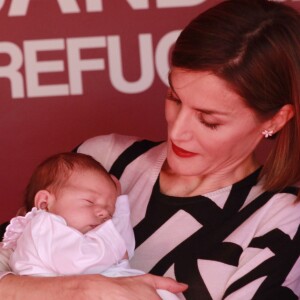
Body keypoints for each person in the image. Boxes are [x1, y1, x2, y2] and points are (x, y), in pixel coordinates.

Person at [0, 0, 300, 299]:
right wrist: (83, 289)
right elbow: (12, 254)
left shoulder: (282, 219)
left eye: (209, 121)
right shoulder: (103, 160)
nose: (177, 131)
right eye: (174, 98)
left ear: (276, 119)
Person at [1, 152, 181, 300]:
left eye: (109, 210)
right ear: (44, 203)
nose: (103, 213)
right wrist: (112, 239)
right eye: (89, 201)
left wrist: (118, 206)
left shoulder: (84, 233)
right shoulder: (43, 227)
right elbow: (81, 262)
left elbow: (123, 247)